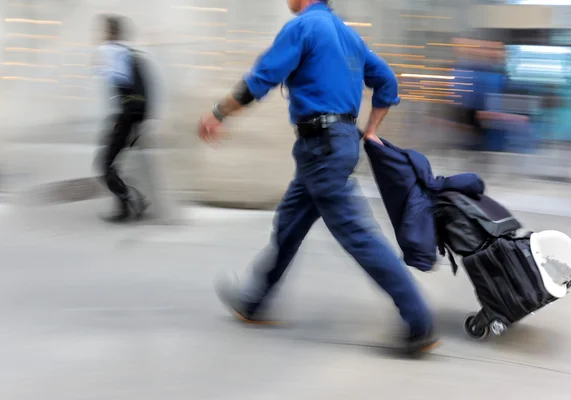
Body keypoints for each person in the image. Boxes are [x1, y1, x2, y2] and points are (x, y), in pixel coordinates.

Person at [198, 0, 438, 354]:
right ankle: (253, 302)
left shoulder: (304, 27)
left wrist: (219, 113)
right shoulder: (348, 35)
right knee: (289, 225)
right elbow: (386, 81)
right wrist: (370, 130)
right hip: (333, 144)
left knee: (357, 233)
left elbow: (261, 79)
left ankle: (420, 322)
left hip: (320, 147)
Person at [91, 14, 149, 223]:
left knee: (104, 165)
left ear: (111, 33)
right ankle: (130, 204)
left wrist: (125, 118)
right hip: (132, 115)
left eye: (103, 31)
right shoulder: (130, 55)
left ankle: (131, 200)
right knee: (111, 164)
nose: (100, 36)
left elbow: (129, 89)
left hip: (127, 115)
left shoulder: (116, 53)